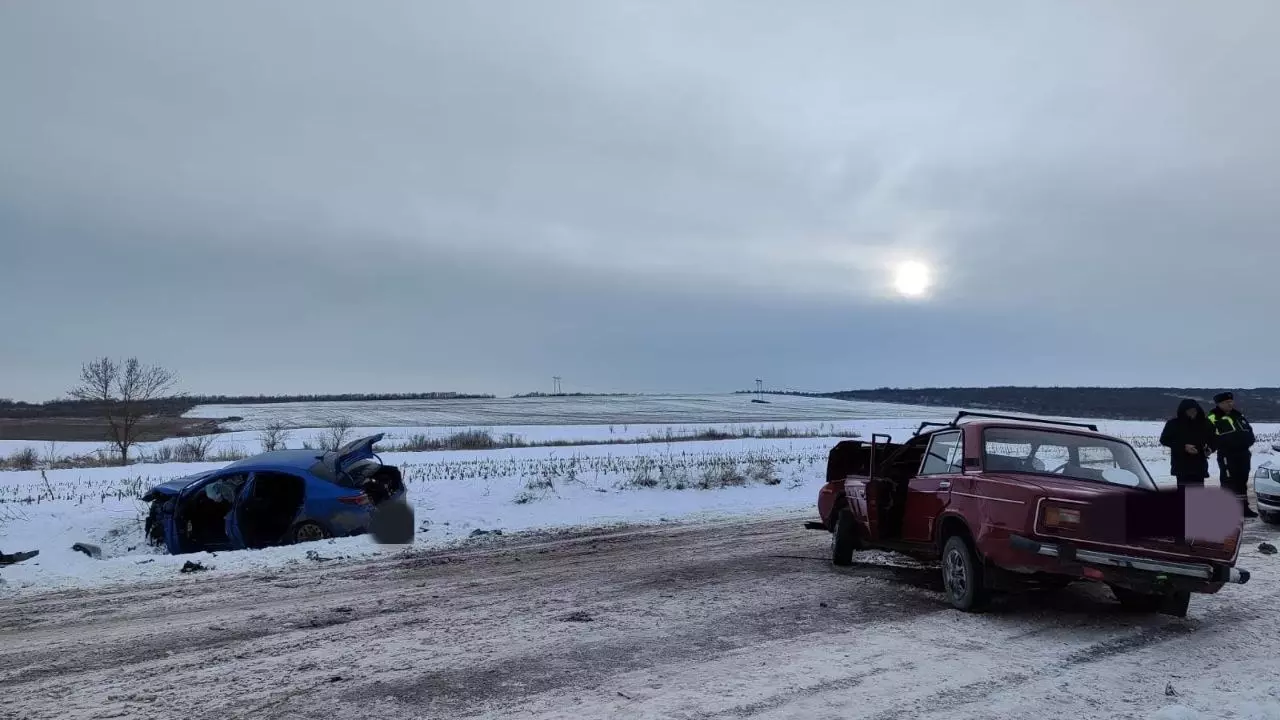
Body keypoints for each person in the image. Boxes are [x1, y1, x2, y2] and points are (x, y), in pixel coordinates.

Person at [1207, 391, 1257, 517]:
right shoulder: (1213, 418)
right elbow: (1209, 436)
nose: (1230, 404)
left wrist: (1247, 441)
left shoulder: (1239, 416)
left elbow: (1249, 432)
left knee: (1242, 481)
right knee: (1229, 481)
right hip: (1227, 455)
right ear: (1219, 404)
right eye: (1226, 402)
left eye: (1231, 401)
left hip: (1244, 454)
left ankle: (1243, 508)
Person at [1159, 398, 1214, 487]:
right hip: (1181, 466)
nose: (1193, 413)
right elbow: (1164, 440)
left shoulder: (1206, 423)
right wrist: (1183, 447)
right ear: (1183, 411)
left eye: (1194, 410)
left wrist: (1210, 449)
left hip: (1199, 465)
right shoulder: (1173, 424)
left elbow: (1214, 439)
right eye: (1189, 411)